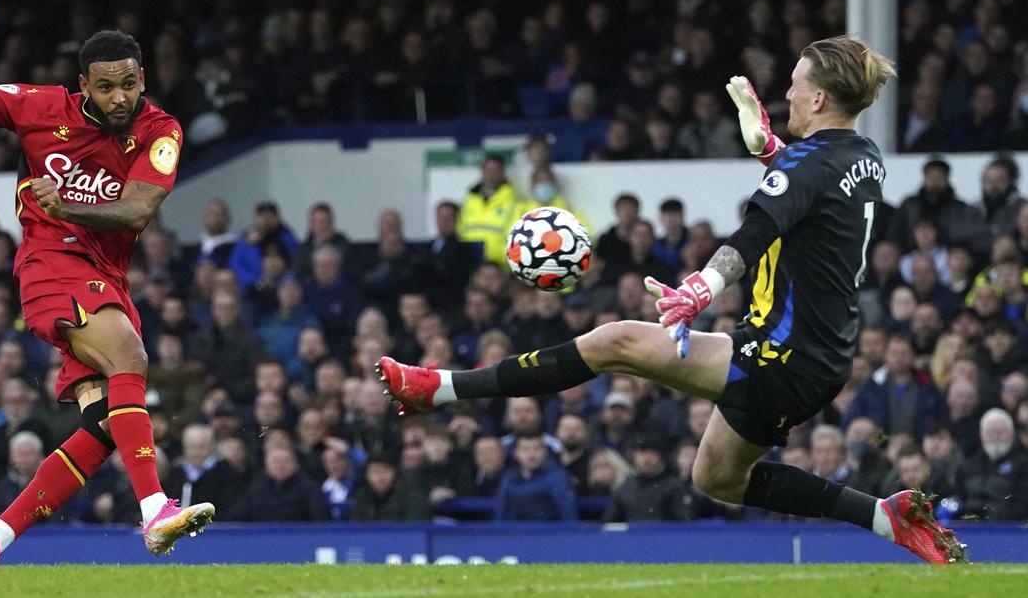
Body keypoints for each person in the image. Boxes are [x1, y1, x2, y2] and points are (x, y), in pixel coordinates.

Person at [379, 36, 967, 563]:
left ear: (816, 101)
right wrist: (769, 149)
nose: (786, 91)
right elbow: (814, 192)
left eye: (795, 83)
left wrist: (697, 290)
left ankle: (439, 388)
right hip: (813, 353)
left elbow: (751, 237)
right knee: (718, 479)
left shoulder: (806, 167)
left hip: (785, 355)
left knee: (616, 341)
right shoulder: (864, 156)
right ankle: (884, 518)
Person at [0, 0, 213, 565]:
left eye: (130, 85)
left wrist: (75, 200)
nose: (121, 99)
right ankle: (156, 511)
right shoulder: (40, 108)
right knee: (132, 359)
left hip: (105, 276)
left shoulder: (160, 129)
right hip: (50, 264)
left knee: (109, 426)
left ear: (143, 79)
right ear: (83, 84)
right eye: (108, 87)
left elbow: (139, 211)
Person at [458, 154, 521, 265]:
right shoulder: (468, 201)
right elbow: (460, 232)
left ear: (502, 173)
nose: (491, 175)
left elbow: (518, 241)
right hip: (468, 265)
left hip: (500, 267)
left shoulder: (514, 203)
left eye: (495, 171)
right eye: (488, 170)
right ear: (482, 171)